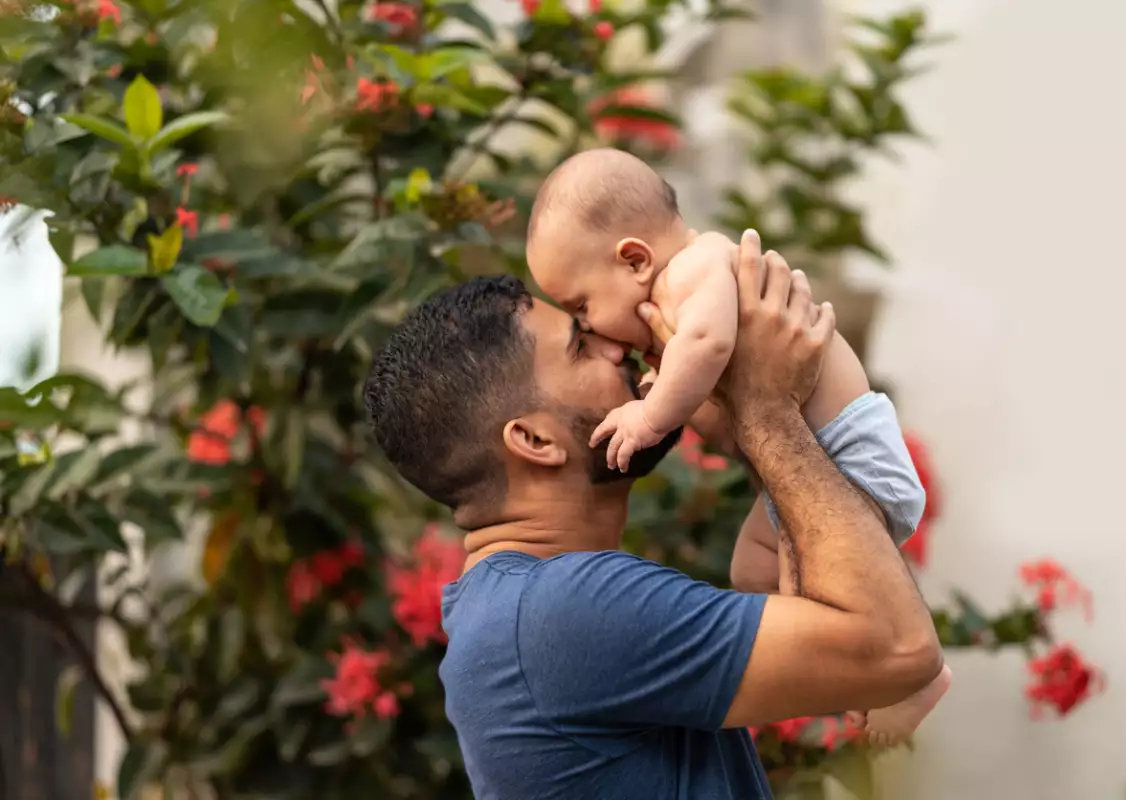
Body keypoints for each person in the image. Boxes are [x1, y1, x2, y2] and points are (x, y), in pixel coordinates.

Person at [361, 230, 945, 799]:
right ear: (535, 441)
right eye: (582, 344)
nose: (620, 343)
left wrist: (749, 425)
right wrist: (766, 410)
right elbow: (897, 649)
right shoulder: (561, 612)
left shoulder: (522, 609)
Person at [525, 147, 951, 744]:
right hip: (815, 455)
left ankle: (910, 679)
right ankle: (863, 676)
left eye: (582, 307)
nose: (592, 329)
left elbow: (707, 347)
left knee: (817, 597)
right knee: (752, 570)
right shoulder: (674, 292)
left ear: (633, 259)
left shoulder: (698, 268)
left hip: (850, 450)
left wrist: (651, 414)